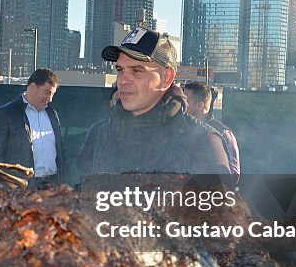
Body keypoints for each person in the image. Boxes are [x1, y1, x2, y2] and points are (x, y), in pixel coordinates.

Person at [77, 28, 229, 178]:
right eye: (120, 69)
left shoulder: (203, 143)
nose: (122, 80)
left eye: (136, 70)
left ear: (167, 77)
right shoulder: (99, 134)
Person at [0, 68, 68, 185]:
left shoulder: (52, 114)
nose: (50, 99)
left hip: (53, 185)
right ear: (33, 87)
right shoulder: (6, 113)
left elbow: (61, 153)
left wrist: (65, 183)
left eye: (52, 94)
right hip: (22, 187)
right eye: (47, 92)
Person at [184, 82, 240, 179]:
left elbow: (233, 174)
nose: (182, 105)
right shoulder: (183, 128)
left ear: (199, 105)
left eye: (186, 101)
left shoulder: (224, 133)